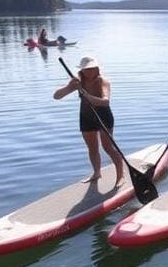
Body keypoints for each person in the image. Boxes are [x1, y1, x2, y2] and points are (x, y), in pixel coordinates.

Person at [53, 56, 125, 186]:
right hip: (86, 116)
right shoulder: (77, 82)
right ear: (81, 70)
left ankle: (121, 176)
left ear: (97, 69)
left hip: (103, 115)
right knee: (92, 148)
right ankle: (97, 173)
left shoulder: (102, 81)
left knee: (108, 147)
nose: (90, 71)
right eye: (87, 69)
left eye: (92, 68)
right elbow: (56, 96)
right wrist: (69, 87)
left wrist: (87, 95)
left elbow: (105, 101)